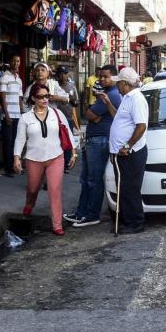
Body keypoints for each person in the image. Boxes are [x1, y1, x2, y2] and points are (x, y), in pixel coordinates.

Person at [14, 83, 76, 236]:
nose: (45, 99)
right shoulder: (25, 118)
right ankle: (30, 203)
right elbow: (20, 140)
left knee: (54, 190)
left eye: (47, 96)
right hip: (33, 158)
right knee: (33, 188)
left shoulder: (56, 113)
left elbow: (67, 132)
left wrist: (74, 152)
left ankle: (57, 224)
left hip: (56, 157)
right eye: (41, 97)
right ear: (34, 98)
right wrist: (16, 157)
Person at [64, 64, 122, 228]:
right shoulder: (105, 93)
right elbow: (91, 115)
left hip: (100, 140)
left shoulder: (110, 95)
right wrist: (94, 116)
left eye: (106, 76)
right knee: (86, 179)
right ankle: (81, 212)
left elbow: (89, 114)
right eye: (100, 76)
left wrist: (94, 116)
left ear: (114, 78)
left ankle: (91, 215)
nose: (102, 79)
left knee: (94, 180)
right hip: (95, 139)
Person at [102, 67, 148, 234]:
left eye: (119, 83)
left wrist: (128, 146)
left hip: (130, 153)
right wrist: (108, 103)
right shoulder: (127, 98)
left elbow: (141, 126)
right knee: (124, 187)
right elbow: (118, 118)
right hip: (120, 152)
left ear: (125, 83)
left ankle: (135, 223)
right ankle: (128, 221)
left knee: (130, 188)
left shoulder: (136, 99)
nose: (117, 86)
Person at [0, 54, 23, 177]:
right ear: (10, 62)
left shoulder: (19, 79)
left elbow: (19, 98)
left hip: (17, 114)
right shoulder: (4, 77)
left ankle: (14, 165)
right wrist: (6, 115)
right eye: (13, 61)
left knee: (15, 141)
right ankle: (7, 167)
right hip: (7, 114)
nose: (16, 63)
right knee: (7, 141)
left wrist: (21, 112)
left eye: (18, 61)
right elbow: (2, 97)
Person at [54, 65, 79, 170]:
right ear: (58, 75)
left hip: (68, 117)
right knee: (56, 141)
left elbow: (77, 103)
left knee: (67, 140)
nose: (64, 75)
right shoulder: (54, 85)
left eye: (66, 73)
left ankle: (67, 163)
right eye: (62, 73)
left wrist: (72, 99)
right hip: (55, 117)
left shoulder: (72, 86)